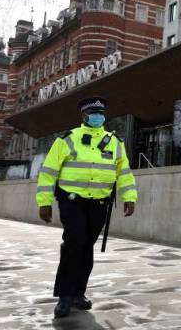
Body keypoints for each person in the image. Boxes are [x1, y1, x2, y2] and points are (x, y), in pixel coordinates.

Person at [36, 96, 138, 318]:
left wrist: (129, 197)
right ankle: (64, 297)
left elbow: (124, 173)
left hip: (99, 203)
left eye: (101, 114)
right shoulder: (67, 140)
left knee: (86, 247)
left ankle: (78, 294)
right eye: (93, 113)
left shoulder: (115, 142)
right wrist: (44, 203)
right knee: (74, 243)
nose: (98, 117)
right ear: (83, 116)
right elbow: (48, 172)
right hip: (72, 201)